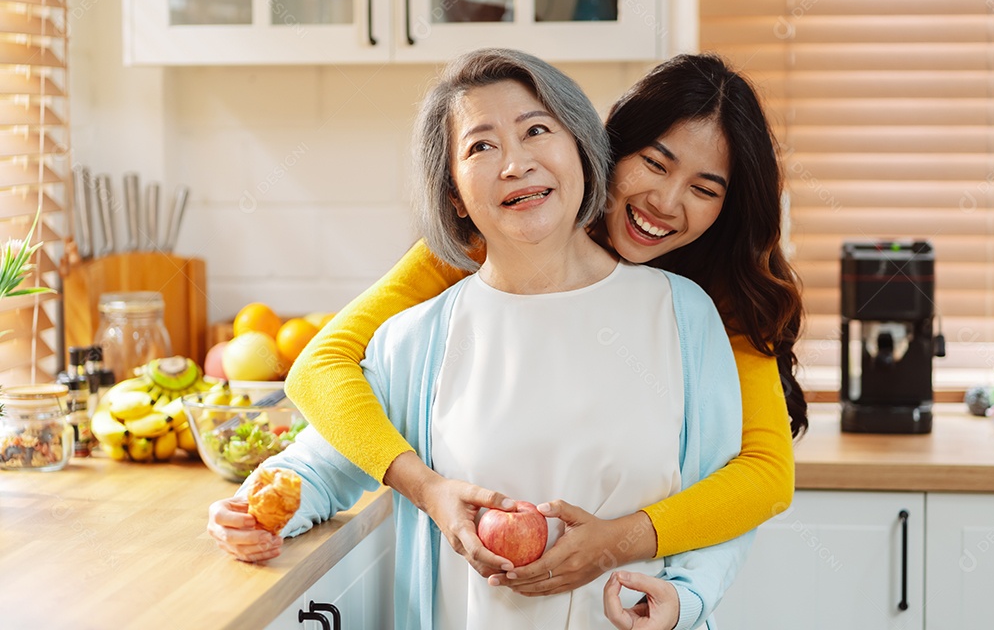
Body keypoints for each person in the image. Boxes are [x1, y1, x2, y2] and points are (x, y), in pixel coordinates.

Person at [208, 49, 753, 629]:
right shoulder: (414, 342)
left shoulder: (683, 315)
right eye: (481, 146)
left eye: (536, 131)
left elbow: (721, 502)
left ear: (584, 153)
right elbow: (322, 468)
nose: (515, 164)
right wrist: (256, 508)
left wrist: (687, 601)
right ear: (453, 195)